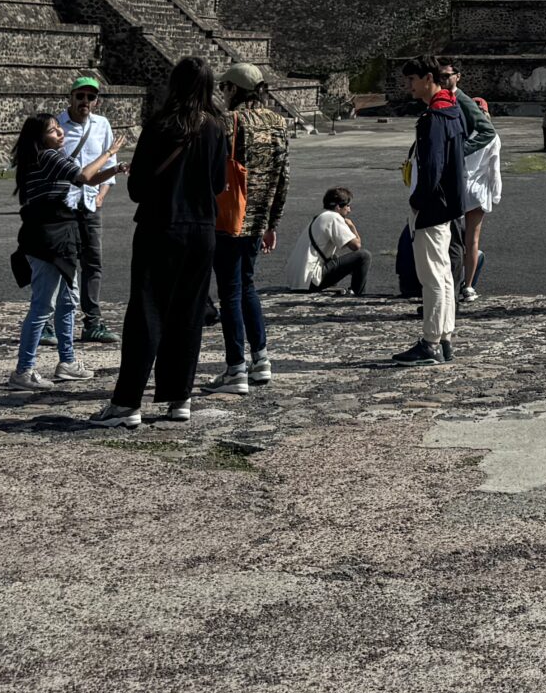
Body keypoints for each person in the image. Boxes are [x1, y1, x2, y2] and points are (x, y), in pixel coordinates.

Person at [91, 57, 229, 428]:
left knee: (147, 312)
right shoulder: (216, 128)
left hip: (160, 225)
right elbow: (219, 184)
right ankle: (180, 397)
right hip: (201, 229)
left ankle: (127, 402)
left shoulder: (161, 124)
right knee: (189, 314)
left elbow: (137, 188)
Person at [9, 110, 120, 390]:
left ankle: (67, 362)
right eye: (52, 130)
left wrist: (115, 169)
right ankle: (23, 370)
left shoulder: (52, 157)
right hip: (48, 238)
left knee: (68, 301)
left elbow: (89, 180)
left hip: (61, 235)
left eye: (59, 127)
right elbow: (83, 175)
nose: (60, 132)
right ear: (39, 138)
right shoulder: (47, 157)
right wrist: (109, 153)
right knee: (43, 305)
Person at [210, 60, 292, 393]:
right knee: (247, 285)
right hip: (258, 220)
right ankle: (261, 359)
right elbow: (283, 176)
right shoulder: (278, 122)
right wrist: (273, 222)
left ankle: (235, 368)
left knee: (229, 292)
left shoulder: (228, 122)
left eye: (224, 88)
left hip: (229, 218)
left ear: (233, 89)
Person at [396, 57, 466, 365]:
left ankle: (431, 341)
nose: (409, 86)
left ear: (428, 78)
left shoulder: (435, 117)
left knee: (432, 275)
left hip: (432, 206)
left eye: (412, 79)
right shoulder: (450, 110)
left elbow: (433, 166)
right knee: (444, 274)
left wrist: (419, 200)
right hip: (446, 204)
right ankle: (444, 336)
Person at [58, 72, 118, 342]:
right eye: (80, 96)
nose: (85, 101)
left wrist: (102, 195)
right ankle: (52, 321)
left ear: (96, 101)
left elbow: (108, 166)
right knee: (62, 264)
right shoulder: (57, 125)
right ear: (70, 97)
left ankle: (92, 321)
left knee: (93, 263)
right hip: (63, 205)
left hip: (91, 203)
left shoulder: (102, 125)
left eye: (90, 97)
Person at [436, 57, 500, 302]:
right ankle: (468, 286)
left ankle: (453, 284)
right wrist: (495, 194)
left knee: (452, 238)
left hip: (463, 184)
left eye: (447, 75)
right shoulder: (492, 137)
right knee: (470, 239)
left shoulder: (460, 111)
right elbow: (494, 168)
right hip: (477, 188)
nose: (443, 80)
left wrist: (457, 152)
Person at [302, 187, 369, 294]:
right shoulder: (333, 217)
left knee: (334, 258)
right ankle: (359, 295)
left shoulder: (319, 217)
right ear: (338, 207)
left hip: (300, 279)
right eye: (347, 206)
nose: (349, 210)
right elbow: (356, 246)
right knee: (364, 256)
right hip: (310, 281)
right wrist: (352, 226)